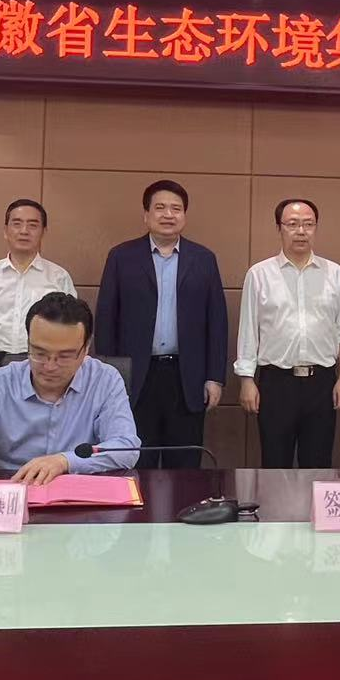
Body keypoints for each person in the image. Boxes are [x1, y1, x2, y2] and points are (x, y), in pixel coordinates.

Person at [0, 292, 139, 485]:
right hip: (13, 494)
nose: (50, 366)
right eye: (39, 353)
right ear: (28, 342)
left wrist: (65, 461)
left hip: (81, 499)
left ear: (86, 349)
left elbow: (126, 447)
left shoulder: (105, 380)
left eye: (64, 356)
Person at [95, 179, 228, 468]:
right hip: (134, 378)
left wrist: (214, 377)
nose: (168, 214)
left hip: (186, 377)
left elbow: (217, 322)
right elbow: (106, 320)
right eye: (160, 208)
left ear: (184, 215)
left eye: (176, 209)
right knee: (135, 460)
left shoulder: (204, 259)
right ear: (146, 215)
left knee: (185, 464)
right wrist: (108, 375)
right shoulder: (121, 257)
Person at [235, 199, 340, 468]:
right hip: (276, 383)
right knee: (274, 464)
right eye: (292, 224)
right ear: (279, 228)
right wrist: (247, 380)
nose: (301, 231)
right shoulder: (259, 274)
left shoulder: (334, 273)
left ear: (316, 228)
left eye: (308, 224)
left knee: (317, 464)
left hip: (322, 383)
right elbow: (248, 331)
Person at [0, 198, 76, 390]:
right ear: (6, 230)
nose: (24, 231)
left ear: (43, 232)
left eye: (33, 225)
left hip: (42, 367)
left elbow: (73, 333)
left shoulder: (59, 277)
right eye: (17, 223)